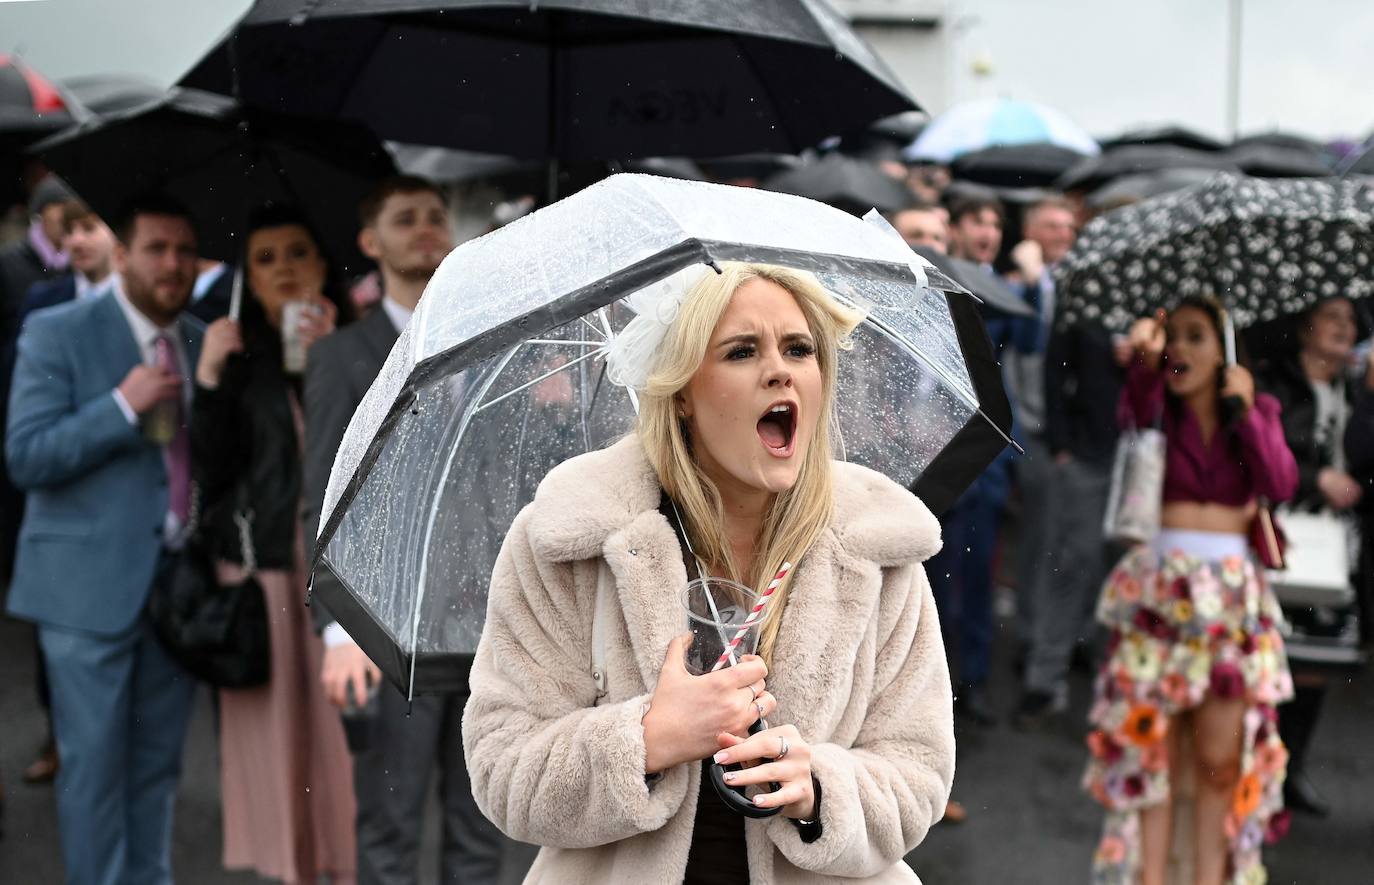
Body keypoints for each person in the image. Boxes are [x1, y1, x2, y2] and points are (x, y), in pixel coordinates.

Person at [463, 262, 955, 883]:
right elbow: (503, 768)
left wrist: (820, 788)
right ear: (684, 395)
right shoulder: (571, 537)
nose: (780, 368)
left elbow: (919, 772)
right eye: (741, 351)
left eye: (799, 349)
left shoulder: (876, 547)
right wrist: (648, 738)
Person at [303, 175, 531, 885]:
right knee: (389, 830)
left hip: (487, 625)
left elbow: (517, 479)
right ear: (371, 242)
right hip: (388, 625)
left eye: (436, 215)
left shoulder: (497, 345)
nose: (427, 228)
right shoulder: (340, 357)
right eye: (406, 218)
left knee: (479, 830)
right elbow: (322, 496)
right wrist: (338, 630)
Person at [4, 193, 204, 885]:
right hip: (84, 593)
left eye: (184, 249)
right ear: (122, 254)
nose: (172, 263)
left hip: (176, 591)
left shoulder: (204, 338)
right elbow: (26, 454)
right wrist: (122, 405)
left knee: (156, 769)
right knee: (91, 775)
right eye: (155, 247)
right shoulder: (57, 331)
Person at [1086, 298, 1297, 885]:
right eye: (1172, 335)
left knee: (1218, 762)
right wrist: (1146, 363)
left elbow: (1280, 481)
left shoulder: (1258, 408)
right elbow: (1130, 420)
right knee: (1147, 755)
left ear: (1226, 350)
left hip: (1231, 602)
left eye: (1196, 336)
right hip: (1156, 596)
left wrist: (1247, 408)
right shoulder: (1151, 402)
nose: (1180, 347)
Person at [192, 204, 357, 883]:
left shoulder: (354, 345)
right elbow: (212, 468)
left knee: (340, 738)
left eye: (298, 252)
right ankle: (291, 869)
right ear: (249, 281)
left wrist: (331, 361)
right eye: (266, 258)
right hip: (262, 571)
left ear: (323, 265)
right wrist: (208, 378)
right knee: (274, 733)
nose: (285, 268)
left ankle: (343, 865)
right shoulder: (232, 356)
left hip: (335, 568)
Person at [1255, 295, 1372, 818]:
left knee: (1318, 666)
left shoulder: (1358, 387)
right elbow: (1260, 453)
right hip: (1286, 534)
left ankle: (1289, 771)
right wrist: (1316, 478)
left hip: (1339, 544)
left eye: (1351, 321)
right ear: (1305, 326)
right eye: (1333, 318)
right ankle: (1256, 767)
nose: (1344, 329)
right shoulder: (1273, 382)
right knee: (1272, 660)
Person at [926, 191, 1019, 726]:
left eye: (994, 221)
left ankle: (974, 682)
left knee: (978, 578)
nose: (987, 230)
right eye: (976, 219)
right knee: (929, 587)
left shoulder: (993, 297)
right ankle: (927, 693)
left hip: (980, 469)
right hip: (923, 469)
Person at [1014, 318, 1133, 727]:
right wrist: (1062, 445)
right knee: (1069, 561)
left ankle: (1117, 683)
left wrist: (1154, 358)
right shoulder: (1089, 293)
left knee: (1127, 572)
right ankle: (1045, 680)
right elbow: (1056, 368)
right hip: (1086, 452)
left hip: (1143, 456)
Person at [23, 199, 118, 316]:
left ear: (115, 232)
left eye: (89, 228)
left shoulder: (140, 297)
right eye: (68, 231)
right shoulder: (42, 300)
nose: (76, 240)